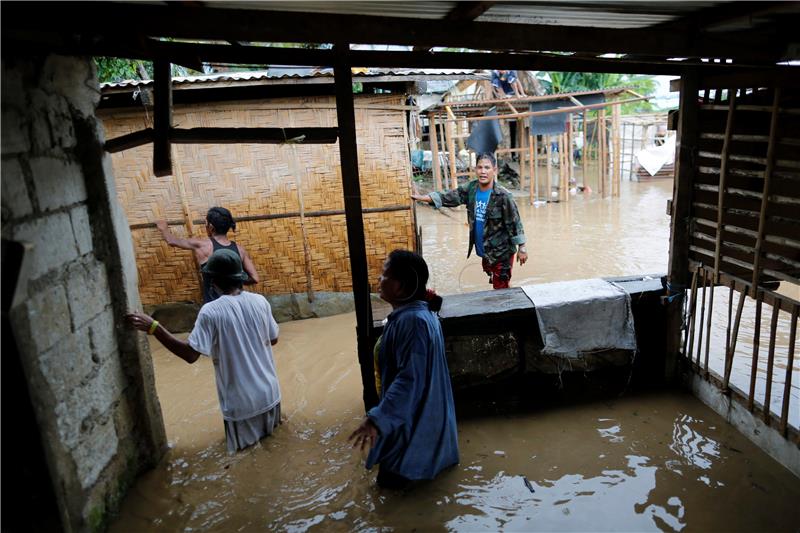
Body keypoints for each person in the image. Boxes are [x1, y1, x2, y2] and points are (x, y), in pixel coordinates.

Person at [126, 248, 281, 453]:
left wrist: (154, 327)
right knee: (274, 449)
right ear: (240, 277)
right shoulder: (260, 301)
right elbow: (274, 338)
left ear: (213, 281)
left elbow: (191, 355)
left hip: (242, 405)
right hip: (271, 395)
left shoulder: (211, 311)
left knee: (246, 460)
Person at [349, 250, 458, 489]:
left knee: (393, 496)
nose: (379, 279)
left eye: (385, 275)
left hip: (415, 439)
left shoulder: (413, 322)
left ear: (401, 286)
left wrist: (376, 419)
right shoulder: (420, 316)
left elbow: (409, 381)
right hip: (428, 427)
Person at [412, 153, 528, 289]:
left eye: (487, 168)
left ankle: (506, 299)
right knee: (495, 276)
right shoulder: (471, 189)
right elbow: (450, 196)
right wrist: (424, 198)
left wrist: (522, 248)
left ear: (494, 170)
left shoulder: (503, 196)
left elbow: (515, 222)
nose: (483, 171)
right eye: (480, 167)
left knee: (500, 287)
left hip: (501, 252)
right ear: (475, 170)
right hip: (485, 250)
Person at [157, 206, 259, 303]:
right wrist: (234, 281)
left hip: (214, 308)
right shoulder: (240, 250)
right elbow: (255, 278)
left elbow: (171, 240)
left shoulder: (202, 246)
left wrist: (163, 228)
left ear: (210, 227)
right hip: (237, 305)